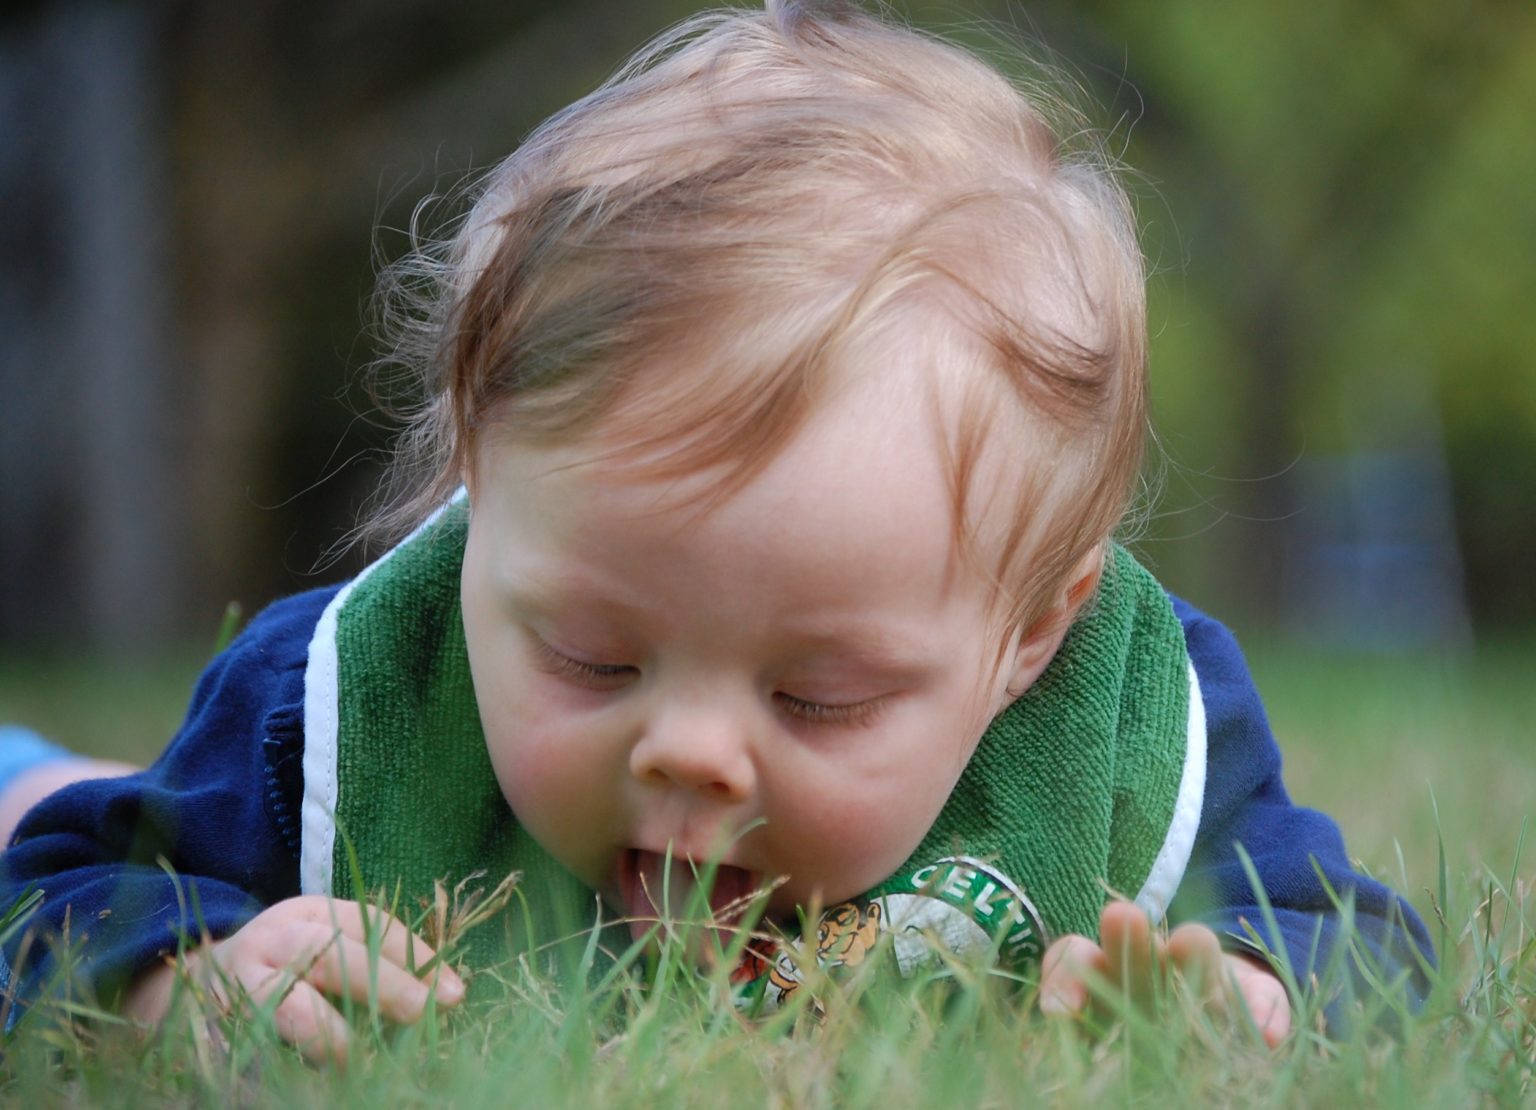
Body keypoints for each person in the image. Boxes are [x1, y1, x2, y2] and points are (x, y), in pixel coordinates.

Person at [0, 0, 1431, 1063]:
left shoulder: (1119, 720)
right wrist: (172, 976)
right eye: (592, 656)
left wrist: (1249, 999)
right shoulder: (338, 708)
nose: (688, 750)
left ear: (1026, 634)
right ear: (482, 505)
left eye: (818, 693)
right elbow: (52, 897)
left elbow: (1368, 948)